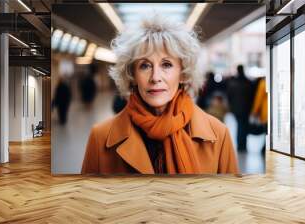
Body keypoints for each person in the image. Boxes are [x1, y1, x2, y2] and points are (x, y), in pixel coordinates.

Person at [81, 16, 239, 174]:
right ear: (132, 75)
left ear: (183, 74)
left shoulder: (219, 135)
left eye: (166, 64)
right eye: (145, 66)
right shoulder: (100, 137)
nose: (155, 77)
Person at [225, 65, 255, 151]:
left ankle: (240, 145)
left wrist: (231, 106)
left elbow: (229, 96)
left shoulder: (233, 83)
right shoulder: (248, 82)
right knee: (243, 126)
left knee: (240, 125)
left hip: (236, 109)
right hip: (246, 108)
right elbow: (251, 96)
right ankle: (243, 145)